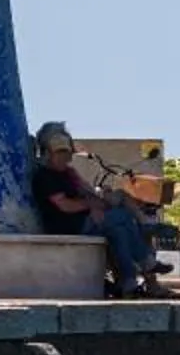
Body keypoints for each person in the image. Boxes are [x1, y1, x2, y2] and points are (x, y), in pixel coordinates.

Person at [29, 122, 165, 299]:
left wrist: (97, 203)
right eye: (60, 153)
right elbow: (66, 206)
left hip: (85, 221)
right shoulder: (45, 176)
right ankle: (146, 262)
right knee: (122, 217)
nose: (66, 158)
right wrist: (90, 205)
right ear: (47, 153)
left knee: (119, 231)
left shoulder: (68, 174)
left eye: (67, 152)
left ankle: (129, 282)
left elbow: (89, 194)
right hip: (69, 226)